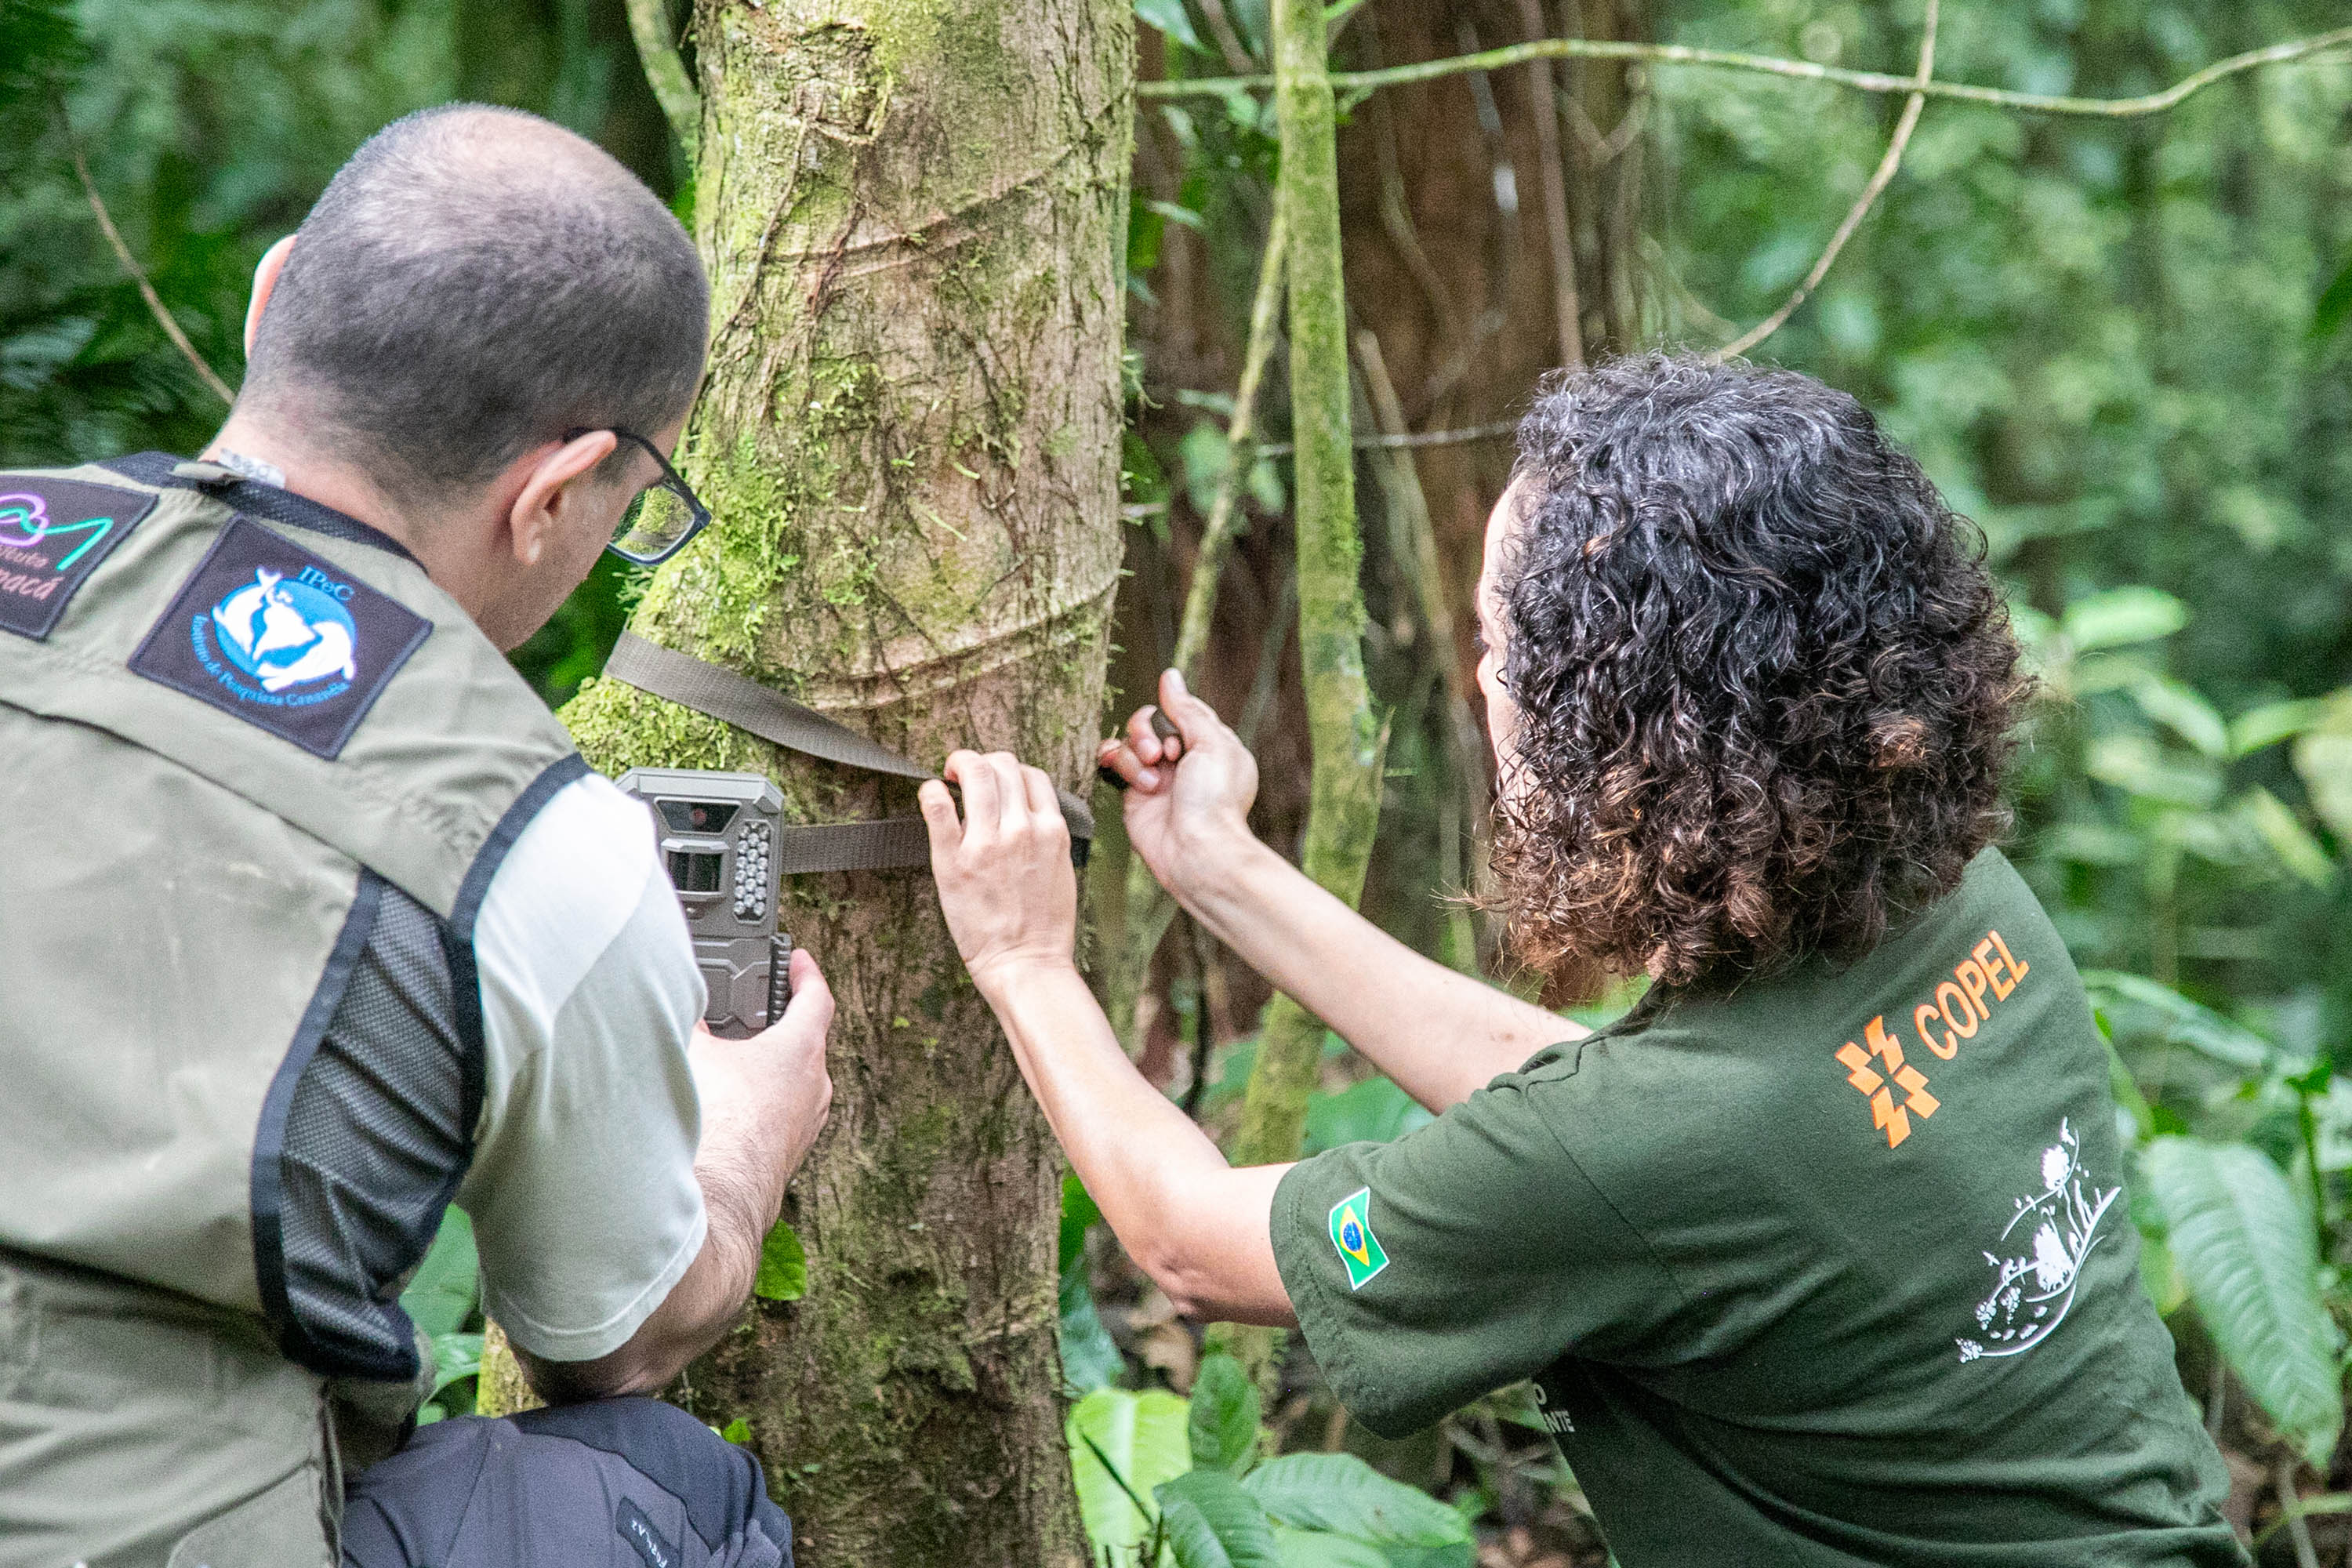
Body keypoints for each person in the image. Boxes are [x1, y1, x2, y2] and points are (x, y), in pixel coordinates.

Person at [921, 354, 2248, 1565]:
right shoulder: (1962, 905)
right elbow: (1607, 1109)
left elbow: (1190, 1245)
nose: (1480, 678)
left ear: (1616, 717)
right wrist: (1224, 870)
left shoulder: (1659, 1150)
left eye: (1503, 647)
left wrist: (1027, 958)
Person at [0, 106, 828, 1567]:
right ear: (557, 492)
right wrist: (747, 1141)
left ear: (270, 302)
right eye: (629, 511)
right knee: (660, 1477)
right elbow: (606, 1342)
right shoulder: (538, 840)